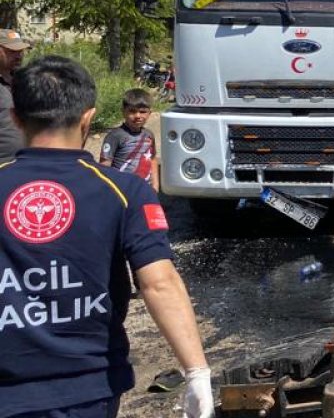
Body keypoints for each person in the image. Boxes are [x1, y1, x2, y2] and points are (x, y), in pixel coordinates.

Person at [0, 56, 212, 418]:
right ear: (88, 117)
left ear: (16, 118)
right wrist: (196, 372)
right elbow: (159, 283)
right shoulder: (123, 190)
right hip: (89, 389)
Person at [99, 88, 160, 192]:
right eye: (132, 111)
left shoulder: (149, 135)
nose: (137, 116)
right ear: (123, 112)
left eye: (142, 112)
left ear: (150, 113)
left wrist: (155, 185)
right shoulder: (115, 136)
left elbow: (153, 159)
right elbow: (104, 166)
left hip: (144, 189)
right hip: (121, 190)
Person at [0, 29, 30, 163]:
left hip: (25, 165)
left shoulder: (24, 80)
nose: (18, 56)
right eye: (12, 51)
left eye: (20, 51)